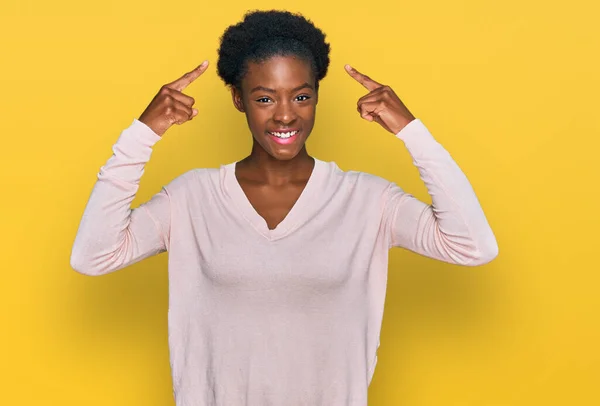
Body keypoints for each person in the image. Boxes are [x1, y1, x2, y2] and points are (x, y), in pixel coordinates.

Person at [70, 9, 498, 406]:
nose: (285, 117)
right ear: (238, 100)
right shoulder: (192, 199)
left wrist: (412, 132)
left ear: (315, 98)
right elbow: (94, 256)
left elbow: (472, 247)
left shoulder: (368, 201)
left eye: (301, 97)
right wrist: (141, 136)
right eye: (264, 99)